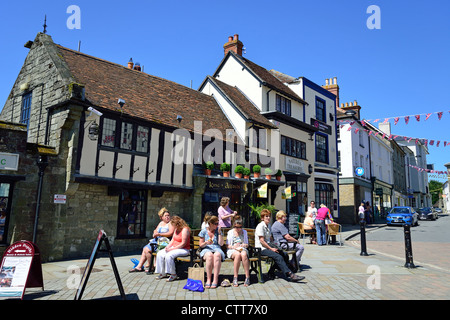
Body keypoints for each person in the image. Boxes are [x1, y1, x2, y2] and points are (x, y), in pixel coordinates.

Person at [255, 209, 304, 282]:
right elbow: (262, 241)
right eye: (266, 216)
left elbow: (270, 239)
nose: (268, 218)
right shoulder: (260, 226)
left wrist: (275, 246)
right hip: (261, 249)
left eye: (269, 216)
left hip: (268, 246)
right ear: (262, 218)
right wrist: (271, 249)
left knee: (284, 255)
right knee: (278, 256)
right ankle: (290, 274)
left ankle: (271, 272)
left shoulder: (269, 225)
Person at [129, 207, 174, 273]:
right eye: (166, 216)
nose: (167, 217)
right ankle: (139, 266)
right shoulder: (161, 223)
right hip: (157, 240)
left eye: (168, 215)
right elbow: (156, 230)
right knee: (145, 249)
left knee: (146, 250)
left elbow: (170, 233)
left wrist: (160, 234)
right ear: (162, 217)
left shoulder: (170, 223)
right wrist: (155, 232)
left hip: (164, 242)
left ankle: (151, 267)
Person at [155, 215, 190, 282]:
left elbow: (183, 244)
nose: (173, 227)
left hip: (184, 249)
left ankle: (173, 274)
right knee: (160, 253)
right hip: (174, 247)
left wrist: (172, 249)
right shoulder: (176, 229)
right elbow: (173, 240)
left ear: (178, 224)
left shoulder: (185, 229)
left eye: (174, 225)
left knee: (169, 255)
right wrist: (168, 247)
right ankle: (162, 273)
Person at [198, 216, 225, 289]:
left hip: (216, 248)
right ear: (210, 224)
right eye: (215, 224)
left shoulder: (218, 231)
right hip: (206, 248)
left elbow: (221, 244)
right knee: (209, 255)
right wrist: (206, 242)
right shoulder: (203, 231)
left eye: (218, 223)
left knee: (217, 255)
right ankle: (208, 279)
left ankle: (215, 279)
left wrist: (219, 233)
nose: (217, 225)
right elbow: (201, 245)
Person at [226, 216, 250, 287]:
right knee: (237, 255)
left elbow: (247, 244)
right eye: (236, 227)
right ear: (234, 226)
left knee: (244, 254)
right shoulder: (230, 232)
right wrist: (234, 247)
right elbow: (227, 245)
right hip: (232, 249)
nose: (238, 229)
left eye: (240, 227)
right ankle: (235, 277)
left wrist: (243, 245)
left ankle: (247, 277)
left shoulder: (244, 232)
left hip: (242, 248)